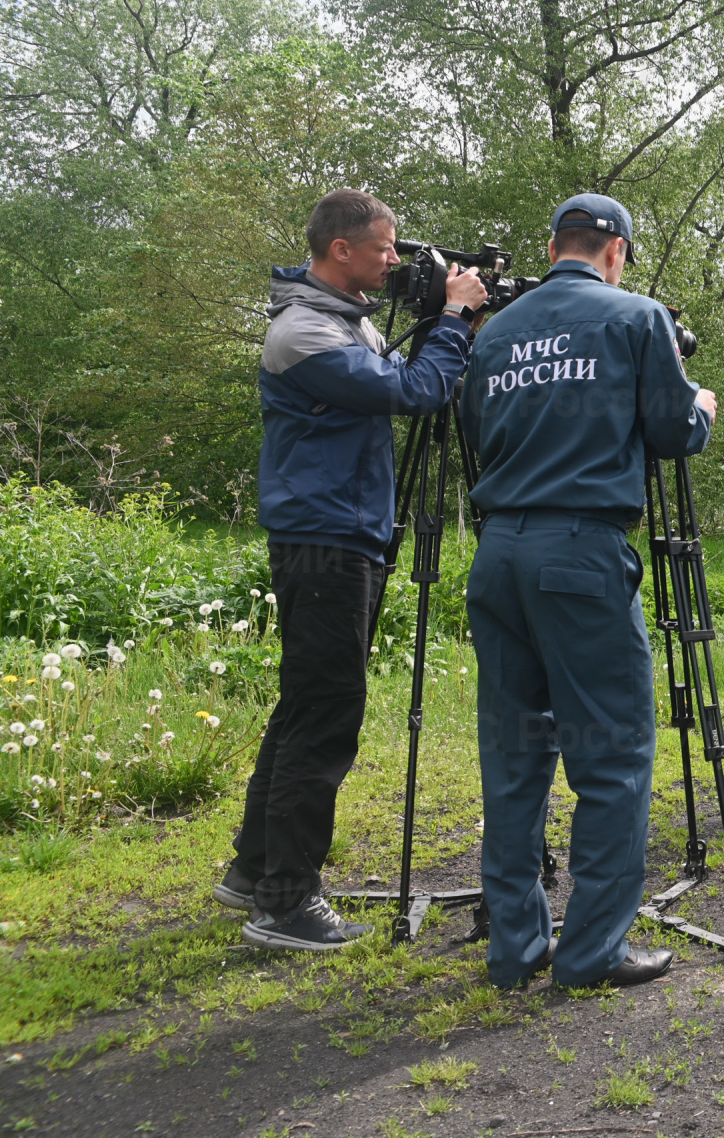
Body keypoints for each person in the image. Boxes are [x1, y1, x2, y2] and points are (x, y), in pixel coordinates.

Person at [219, 188, 488, 951]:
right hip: (325, 539)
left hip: (337, 532)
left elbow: (400, 378)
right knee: (327, 714)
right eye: (386, 247)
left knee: (305, 705)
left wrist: (441, 323)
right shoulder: (304, 331)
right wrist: (454, 322)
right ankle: (287, 903)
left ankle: (255, 870)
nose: (396, 261)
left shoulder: (342, 318)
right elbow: (415, 391)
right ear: (341, 249)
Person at [459, 193, 715, 990]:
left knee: (513, 755)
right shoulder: (635, 318)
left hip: (498, 549)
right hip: (581, 551)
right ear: (618, 253)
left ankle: (515, 946)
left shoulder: (493, 332)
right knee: (611, 754)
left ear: (551, 246)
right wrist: (699, 407)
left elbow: (474, 436)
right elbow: (672, 432)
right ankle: (594, 946)